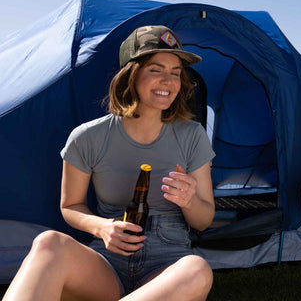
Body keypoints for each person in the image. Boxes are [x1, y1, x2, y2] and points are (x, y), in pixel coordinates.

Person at [4, 25, 216, 301]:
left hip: (169, 266)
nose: (168, 81)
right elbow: (70, 206)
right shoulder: (87, 137)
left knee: (197, 269)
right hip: (107, 264)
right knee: (48, 243)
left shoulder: (192, 135)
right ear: (131, 74)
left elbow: (204, 220)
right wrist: (101, 227)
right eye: (156, 70)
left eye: (176, 73)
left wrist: (189, 201)